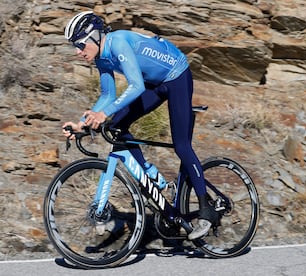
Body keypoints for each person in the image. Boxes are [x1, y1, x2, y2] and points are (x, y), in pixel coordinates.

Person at [62, 11, 218, 239]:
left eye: (80, 44)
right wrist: (82, 124)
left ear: (95, 36)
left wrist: (104, 113)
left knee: (182, 146)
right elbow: (107, 95)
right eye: (74, 46)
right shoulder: (101, 57)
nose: (77, 52)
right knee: (116, 126)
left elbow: (135, 87)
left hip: (176, 77)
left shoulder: (118, 43)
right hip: (153, 83)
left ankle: (207, 210)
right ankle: (151, 175)